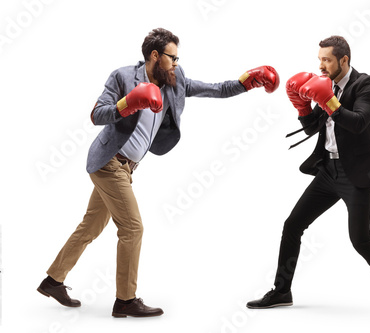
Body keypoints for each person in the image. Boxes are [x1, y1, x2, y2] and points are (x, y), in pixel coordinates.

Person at [37, 28, 280, 318]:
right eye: (172, 57)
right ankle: (125, 300)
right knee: (133, 228)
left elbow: (215, 89)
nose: (176, 63)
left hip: (127, 168)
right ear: (155, 55)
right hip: (108, 162)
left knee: (91, 226)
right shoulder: (124, 76)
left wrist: (246, 82)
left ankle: (53, 281)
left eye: (177, 58)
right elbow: (96, 115)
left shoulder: (175, 81)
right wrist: (130, 102)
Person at [246, 36, 370, 318]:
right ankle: (282, 290)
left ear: (344, 60)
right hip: (328, 171)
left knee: (361, 240)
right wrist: (301, 106)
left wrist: (329, 100)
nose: (320, 65)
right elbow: (312, 129)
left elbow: (358, 123)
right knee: (293, 224)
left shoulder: (366, 85)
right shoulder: (326, 85)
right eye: (319, 59)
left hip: (355, 174)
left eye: (327, 60)